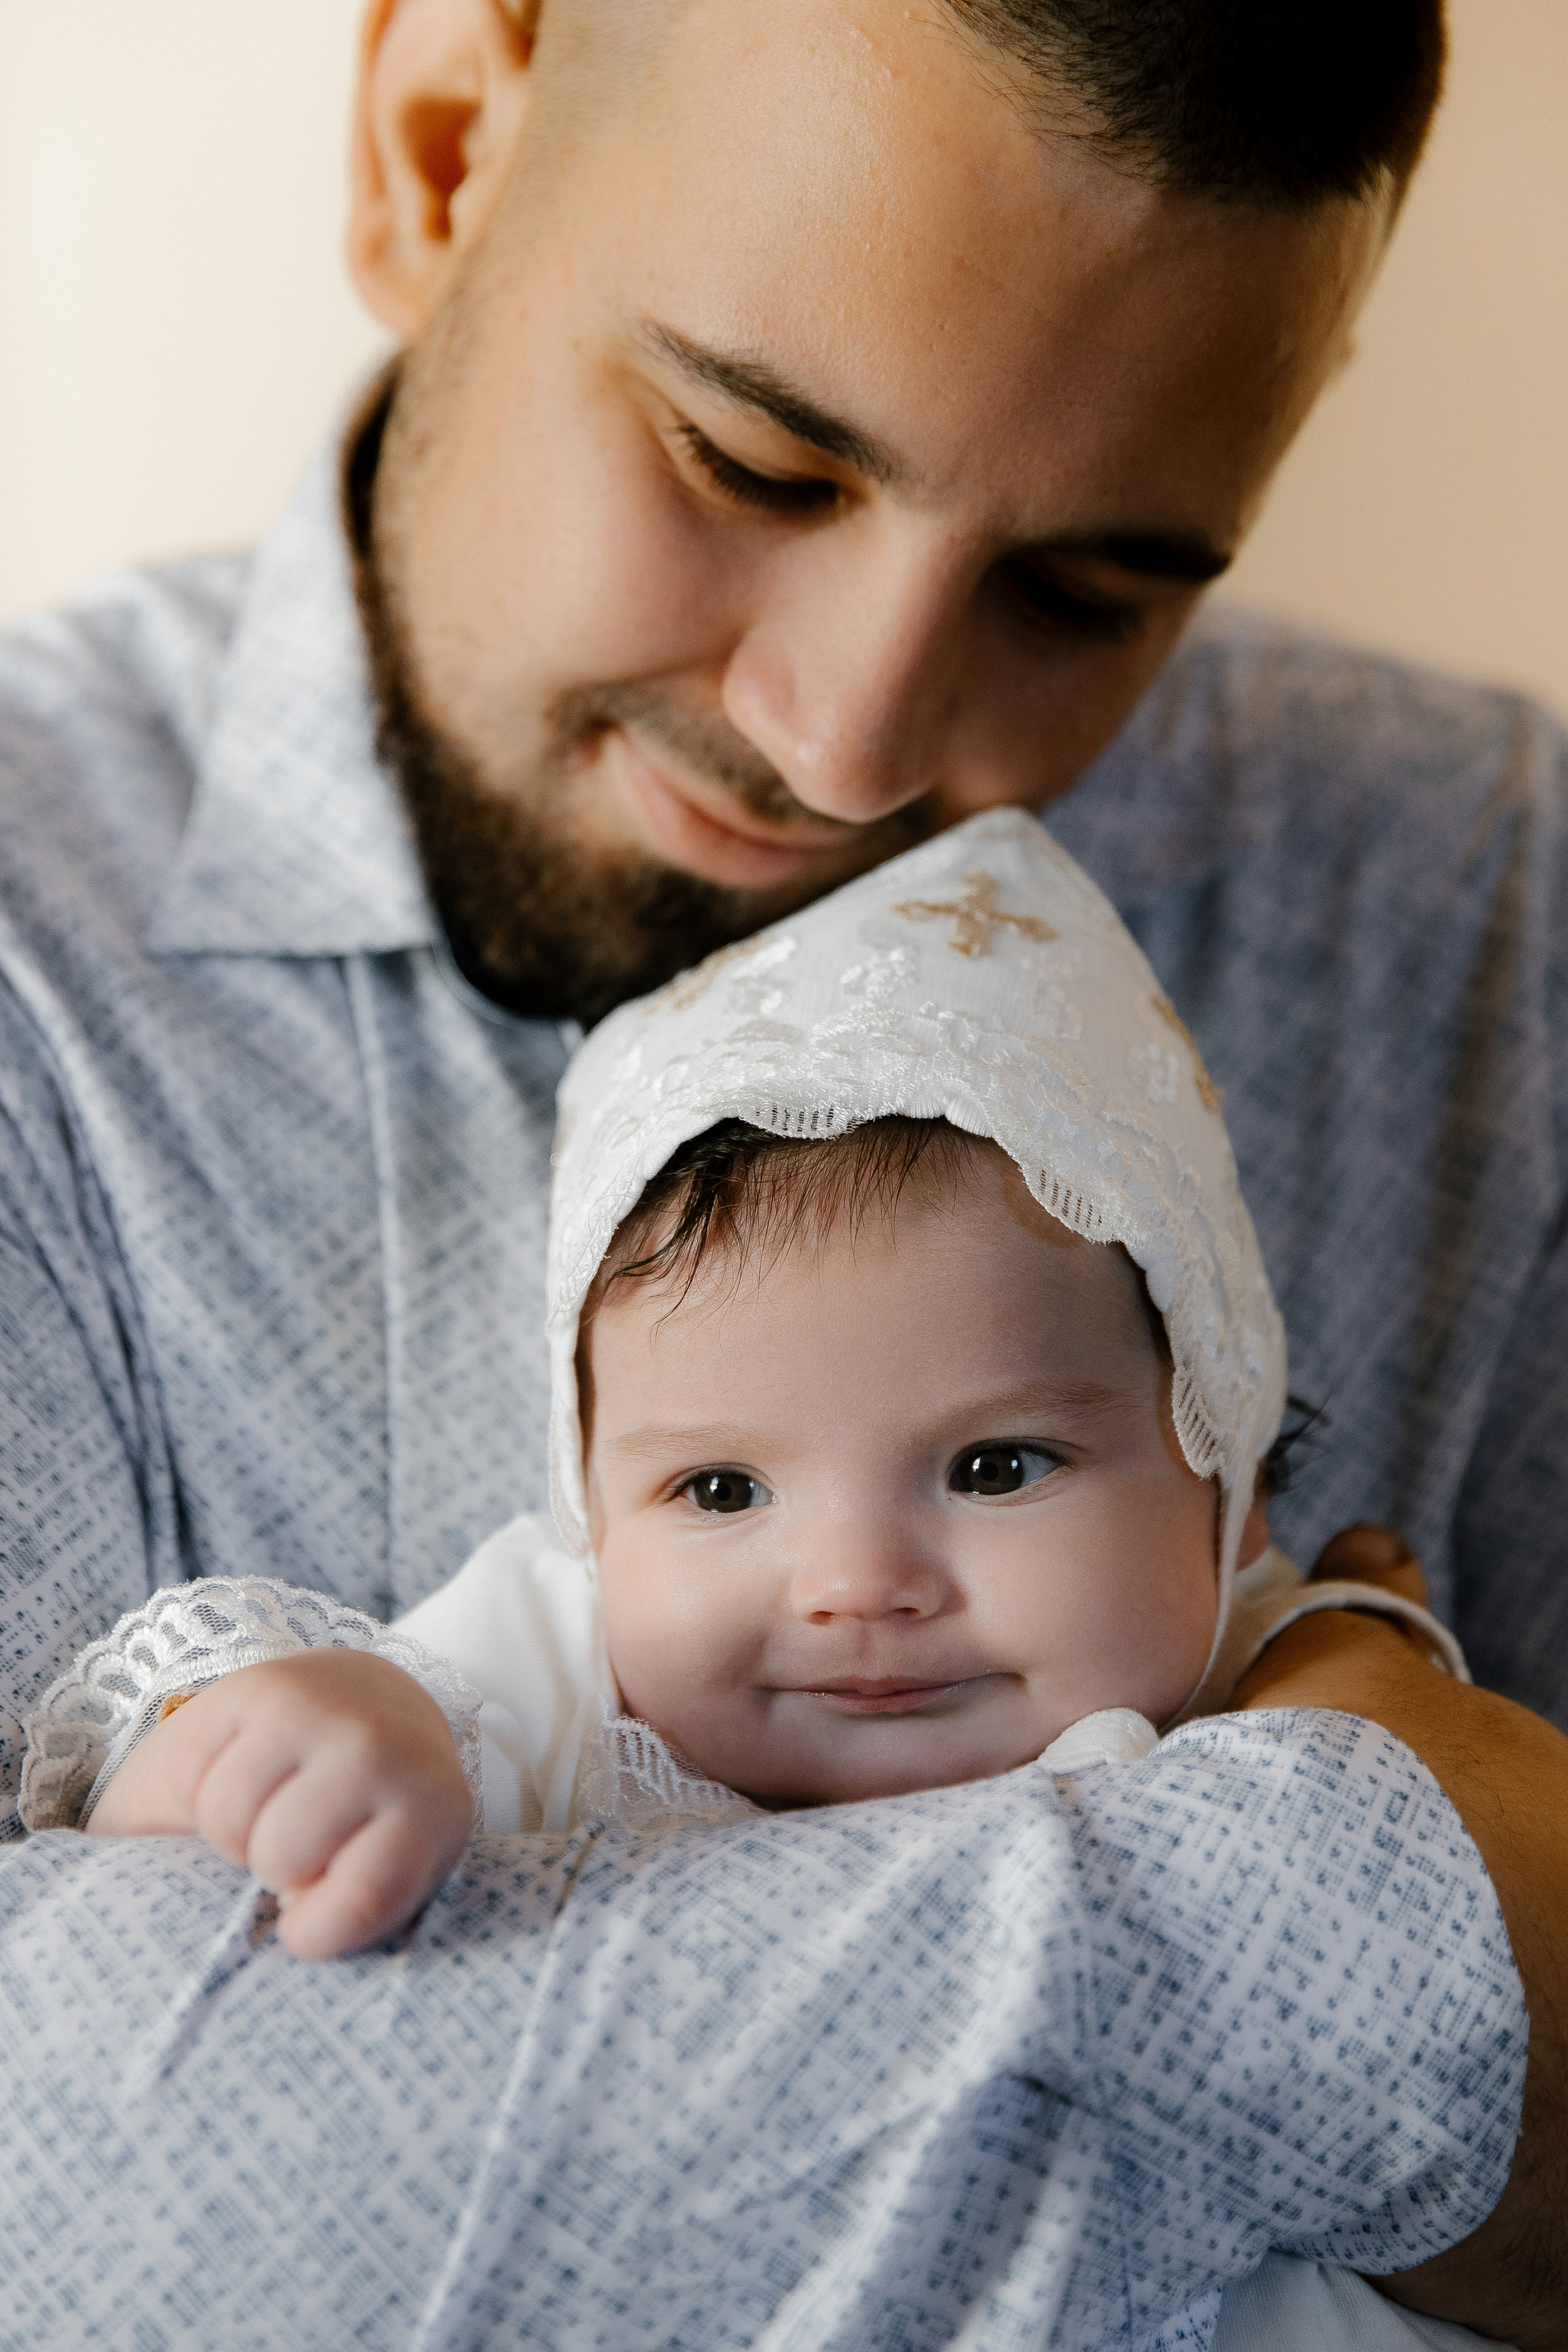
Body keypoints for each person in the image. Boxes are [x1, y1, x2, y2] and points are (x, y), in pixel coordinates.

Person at [1, 0, 1566, 2339]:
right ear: (440, 148)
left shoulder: (1505, 918)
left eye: (1084, 596)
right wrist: (1408, 1921)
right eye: (752, 462)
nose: (847, 747)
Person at [16, 815, 1505, 2348]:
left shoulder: (1278, 1696)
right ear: (592, 1511)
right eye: (720, 1490)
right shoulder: (562, 1671)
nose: (857, 1585)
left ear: (1231, 1491)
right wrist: (294, 1731)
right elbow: (222, 1813)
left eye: (995, 1466)